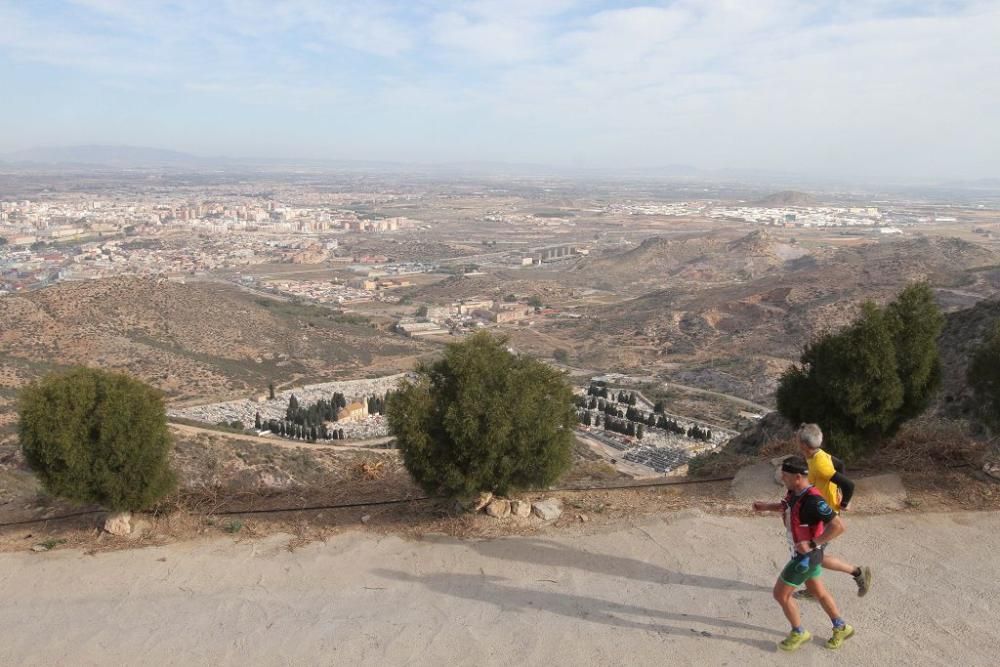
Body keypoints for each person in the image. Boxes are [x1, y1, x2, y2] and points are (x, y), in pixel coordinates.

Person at [753, 456, 855, 651]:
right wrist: (766, 507)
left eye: (785, 475)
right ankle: (841, 627)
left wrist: (812, 543)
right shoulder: (794, 492)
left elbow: (838, 526)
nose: (782, 478)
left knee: (780, 594)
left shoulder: (814, 500)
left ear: (798, 477)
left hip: (806, 558)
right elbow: (787, 506)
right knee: (819, 592)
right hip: (806, 555)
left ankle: (799, 632)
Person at [794, 423, 872, 598]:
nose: (796, 441)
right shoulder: (817, 454)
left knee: (812, 554)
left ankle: (857, 573)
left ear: (804, 445)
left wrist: (844, 502)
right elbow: (840, 464)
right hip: (820, 511)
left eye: (798, 439)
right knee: (813, 555)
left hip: (825, 516)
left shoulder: (820, 464)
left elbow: (849, 484)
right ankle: (816, 588)